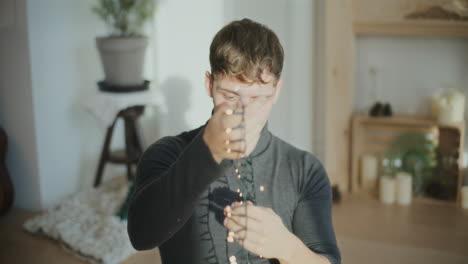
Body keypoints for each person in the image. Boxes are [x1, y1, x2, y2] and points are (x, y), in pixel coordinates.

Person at [127, 18, 341, 264]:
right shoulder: (166, 154)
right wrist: (206, 153)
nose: (244, 112)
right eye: (229, 95)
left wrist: (288, 249)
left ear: (277, 91)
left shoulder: (305, 170)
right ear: (210, 85)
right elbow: (140, 236)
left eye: (258, 98)